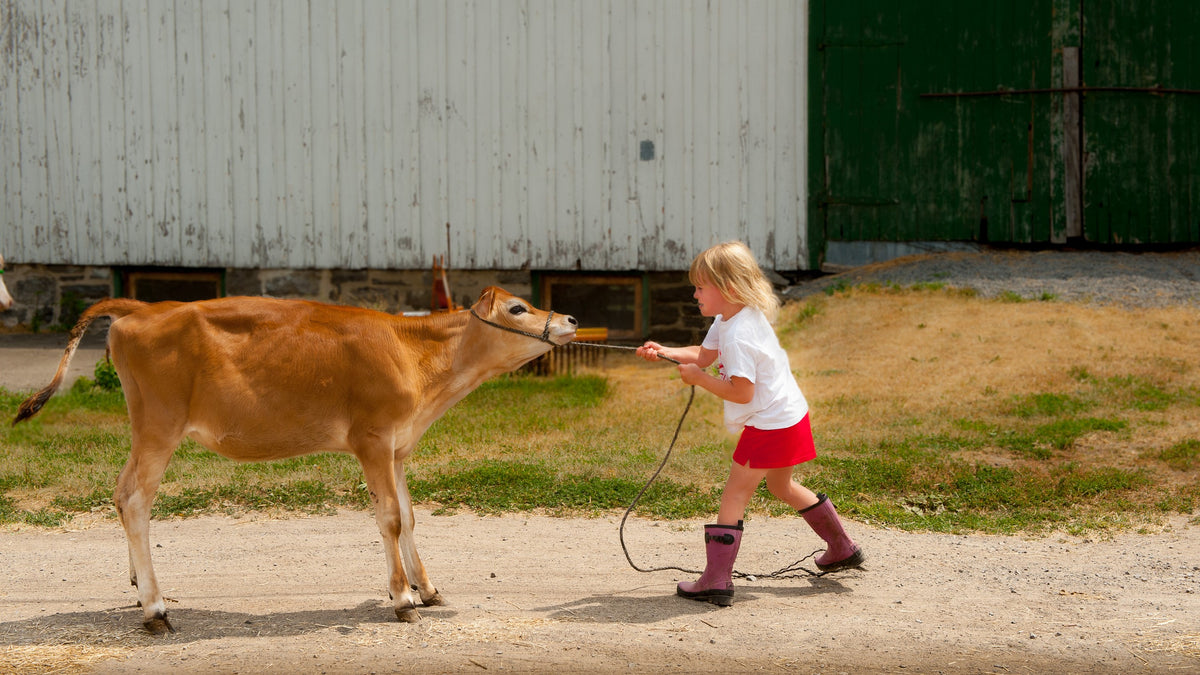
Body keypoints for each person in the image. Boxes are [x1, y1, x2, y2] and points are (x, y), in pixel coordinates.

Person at [636, 241, 863, 606]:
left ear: (726, 289)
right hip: (788, 415)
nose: (694, 294)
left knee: (735, 494)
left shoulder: (739, 334)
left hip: (770, 424)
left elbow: (741, 393)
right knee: (782, 486)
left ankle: (716, 580)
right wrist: (664, 351)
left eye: (699, 286)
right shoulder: (730, 319)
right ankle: (841, 546)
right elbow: (704, 355)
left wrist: (699, 379)